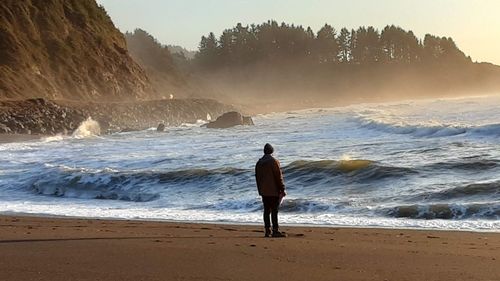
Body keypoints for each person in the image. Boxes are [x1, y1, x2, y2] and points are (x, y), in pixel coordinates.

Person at [255, 143, 287, 238]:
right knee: (274, 211)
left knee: (266, 211)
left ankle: (267, 230)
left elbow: (257, 177)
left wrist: (260, 190)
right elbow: (278, 176)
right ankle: (275, 230)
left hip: (264, 191)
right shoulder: (274, 161)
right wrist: (282, 188)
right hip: (273, 191)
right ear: (272, 151)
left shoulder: (259, 162)